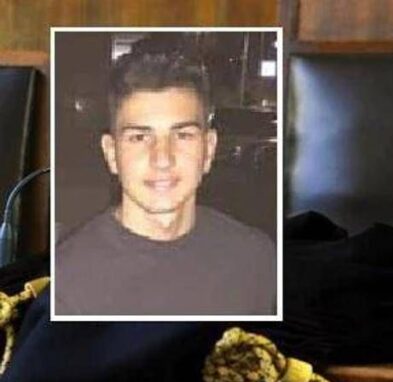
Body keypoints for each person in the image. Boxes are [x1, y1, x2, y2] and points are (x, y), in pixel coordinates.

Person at [54, 46, 276, 316]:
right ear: (111, 154)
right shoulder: (64, 283)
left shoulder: (259, 262)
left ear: (209, 149)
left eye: (182, 135)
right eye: (139, 137)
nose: (162, 159)